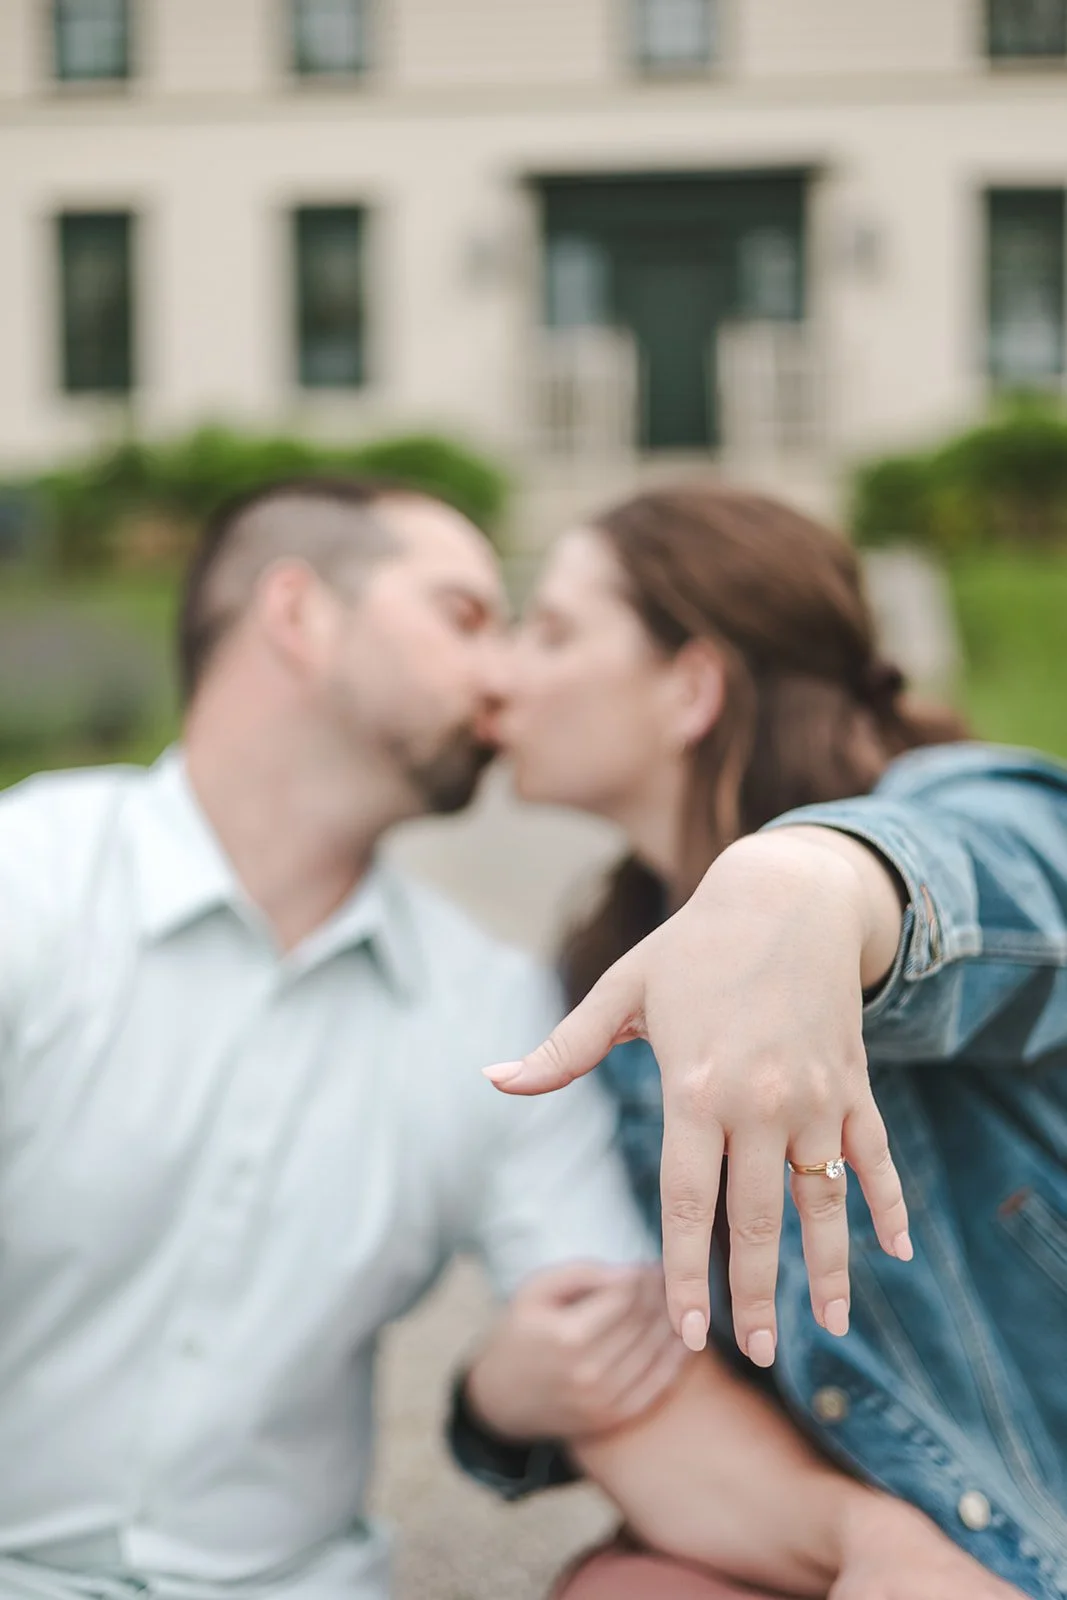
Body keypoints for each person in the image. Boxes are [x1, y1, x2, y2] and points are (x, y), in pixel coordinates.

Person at [0, 477, 686, 1600]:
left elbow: (618, 1352)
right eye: (465, 616)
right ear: (299, 616)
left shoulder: (493, 1003)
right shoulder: (26, 890)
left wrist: (885, 1546)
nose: (505, 675)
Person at [478, 484, 1067, 1599]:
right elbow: (644, 1358)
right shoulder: (608, 975)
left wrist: (800, 884)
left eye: (549, 630)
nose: (504, 673)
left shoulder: (961, 804)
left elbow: (994, 874)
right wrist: (492, 1403)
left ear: (691, 686)